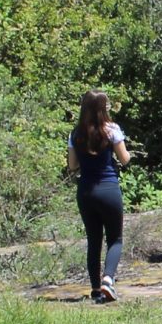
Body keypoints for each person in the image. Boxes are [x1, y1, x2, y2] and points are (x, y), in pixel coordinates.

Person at [64, 91, 131, 304]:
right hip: (108, 188)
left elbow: (72, 165)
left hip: (85, 191)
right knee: (115, 239)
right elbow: (124, 158)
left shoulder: (76, 134)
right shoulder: (112, 130)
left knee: (94, 240)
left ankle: (95, 289)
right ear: (103, 108)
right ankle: (108, 280)